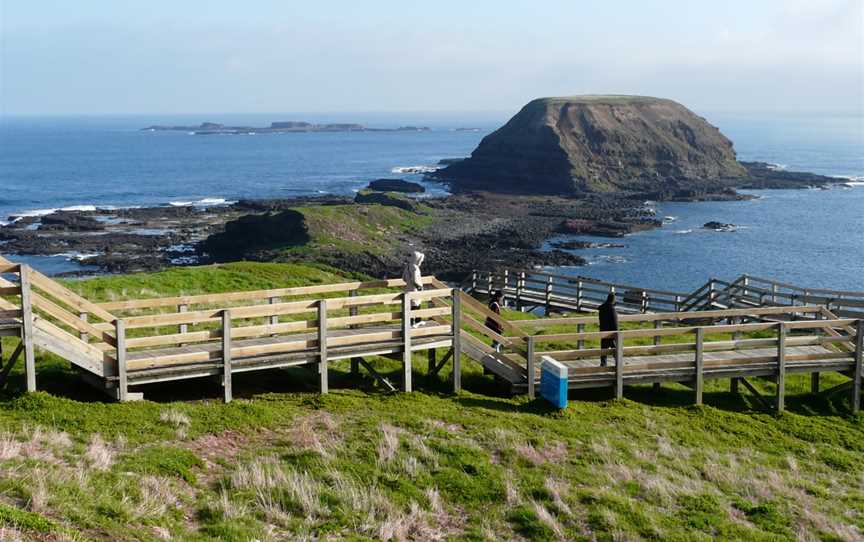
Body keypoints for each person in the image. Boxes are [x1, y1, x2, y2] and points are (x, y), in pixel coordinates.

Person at [402, 251, 425, 327]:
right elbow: (414, 279)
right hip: (415, 289)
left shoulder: (408, 266)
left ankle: (411, 322)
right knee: (416, 305)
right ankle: (417, 321)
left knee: (411, 306)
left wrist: (409, 283)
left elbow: (404, 278)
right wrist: (419, 286)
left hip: (408, 288)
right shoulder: (415, 267)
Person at [598, 292, 619, 367]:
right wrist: (617, 332)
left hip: (603, 331)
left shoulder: (602, 308)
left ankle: (603, 364)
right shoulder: (612, 309)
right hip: (611, 333)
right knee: (616, 350)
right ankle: (618, 364)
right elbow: (615, 322)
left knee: (604, 349)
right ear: (613, 300)